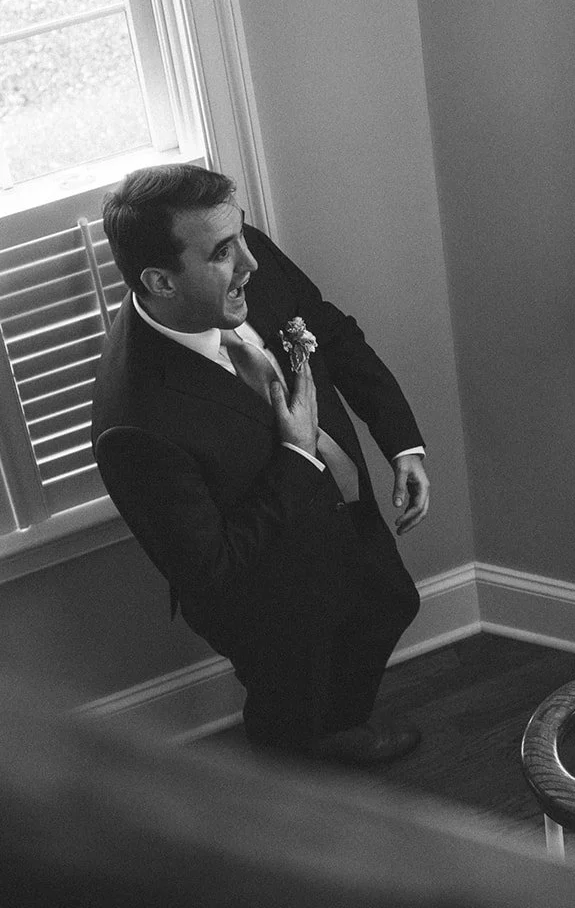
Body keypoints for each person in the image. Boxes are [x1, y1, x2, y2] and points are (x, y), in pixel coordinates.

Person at [92, 163, 431, 765]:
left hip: (347, 522)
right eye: (224, 251)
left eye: (242, 234)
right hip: (270, 600)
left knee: (390, 606)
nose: (251, 262)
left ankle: (344, 729)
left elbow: (330, 331)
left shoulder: (246, 265)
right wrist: (300, 457)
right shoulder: (133, 422)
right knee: (291, 709)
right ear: (161, 281)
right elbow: (214, 568)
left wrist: (401, 442)